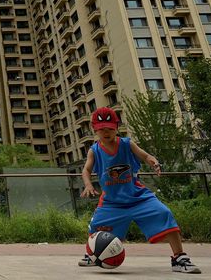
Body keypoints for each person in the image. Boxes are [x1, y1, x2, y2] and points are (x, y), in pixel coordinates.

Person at [79, 106, 201, 274]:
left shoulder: (127, 144)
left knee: (164, 213)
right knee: (96, 226)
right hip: (112, 202)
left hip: (138, 197)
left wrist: (153, 161)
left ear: (117, 128)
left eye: (110, 129)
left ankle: (179, 258)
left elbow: (145, 155)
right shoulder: (94, 151)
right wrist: (88, 184)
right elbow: (86, 170)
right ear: (95, 130)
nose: (106, 132)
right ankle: (93, 254)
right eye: (102, 129)